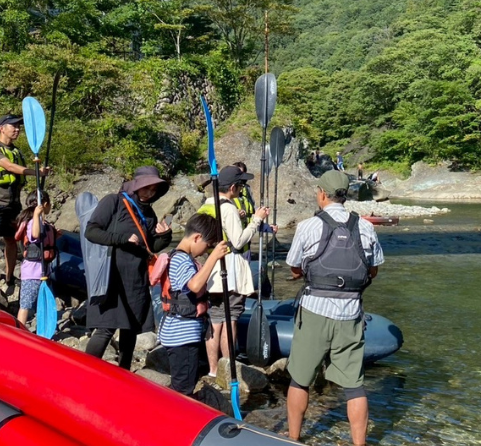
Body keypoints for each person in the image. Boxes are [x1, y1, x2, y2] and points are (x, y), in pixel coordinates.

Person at [286, 170, 384, 446]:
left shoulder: (308, 226)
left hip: (314, 311)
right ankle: (359, 443)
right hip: (351, 314)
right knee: (354, 385)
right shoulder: (366, 227)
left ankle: (294, 438)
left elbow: (294, 266)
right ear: (346, 194)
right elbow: (373, 270)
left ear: (321, 194)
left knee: (300, 379)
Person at [84, 166, 173, 369]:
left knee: (130, 328)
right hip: (112, 275)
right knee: (106, 327)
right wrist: (121, 239)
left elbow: (151, 248)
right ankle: (85, 371)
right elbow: (91, 231)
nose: (150, 193)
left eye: (153, 189)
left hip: (135, 277)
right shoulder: (113, 202)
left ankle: (123, 374)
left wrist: (164, 236)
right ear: (136, 186)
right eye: (147, 188)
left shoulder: (149, 213)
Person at [199, 166, 276, 376]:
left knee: (215, 320)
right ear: (233, 187)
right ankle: (229, 370)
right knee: (230, 319)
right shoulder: (229, 208)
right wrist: (257, 219)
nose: (242, 188)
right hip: (230, 269)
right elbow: (239, 240)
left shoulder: (206, 206)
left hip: (211, 268)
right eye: (241, 185)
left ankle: (213, 370)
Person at [159, 213, 229, 397]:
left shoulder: (181, 257)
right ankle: (177, 422)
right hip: (182, 336)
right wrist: (213, 258)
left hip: (179, 333)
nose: (206, 251)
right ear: (197, 237)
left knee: (182, 384)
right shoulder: (181, 259)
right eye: (207, 246)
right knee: (183, 390)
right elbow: (195, 285)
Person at [0, 114, 46, 292]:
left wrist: (39, 171)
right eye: (13, 126)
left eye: (18, 126)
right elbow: (10, 167)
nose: (17, 129)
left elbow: (16, 167)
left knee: (11, 240)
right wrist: (35, 172)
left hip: (13, 205)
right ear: (1, 128)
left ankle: (9, 277)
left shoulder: (15, 150)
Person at [16, 191, 51, 328]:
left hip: (43, 272)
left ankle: (43, 328)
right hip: (32, 273)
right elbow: (35, 235)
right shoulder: (33, 221)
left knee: (42, 303)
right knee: (25, 305)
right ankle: (19, 329)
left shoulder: (43, 222)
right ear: (45, 205)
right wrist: (36, 215)